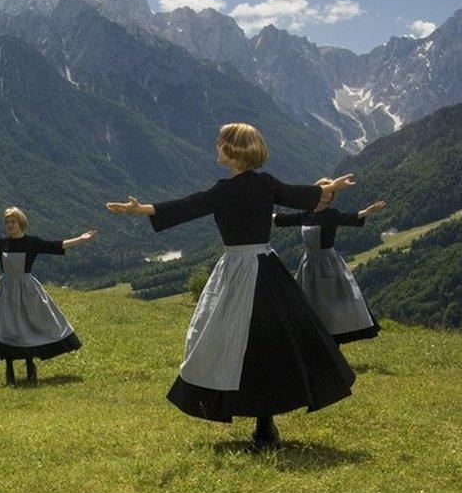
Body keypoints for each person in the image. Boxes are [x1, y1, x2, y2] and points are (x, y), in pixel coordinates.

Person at [106, 122, 357, 450]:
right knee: (273, 340)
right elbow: (302, 195)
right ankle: (265, 422)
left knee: (227, 339)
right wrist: (328, 188)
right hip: (267, 271)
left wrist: (140, 210)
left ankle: (255, 417)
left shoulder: (224, 190)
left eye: (220, 141)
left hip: (236, 271)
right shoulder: (265, 184)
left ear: (232, 150)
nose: (216, 146)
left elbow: (188, 205)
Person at [0, 207, 96, 385]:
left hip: (28, 290)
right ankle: (10, 370)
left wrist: (80, 239)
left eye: (12, 222)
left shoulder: (32, 242)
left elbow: (56, 245)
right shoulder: (2, 243)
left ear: (20, 223)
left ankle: (31, 369)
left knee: (27, 326)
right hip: (5, 291)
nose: (9, 225)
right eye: (7, 222)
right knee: (6, 327)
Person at [274, 189, 386, 344]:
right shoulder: (306, 214)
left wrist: (368, 211)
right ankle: (314, 337)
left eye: (330, 193)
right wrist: (262, 211)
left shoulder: (331, 214)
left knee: (330, 300)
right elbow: (283, 219)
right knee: (310, 300)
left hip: (328, 263)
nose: (326, 195)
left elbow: (352, 217)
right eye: (324, 191)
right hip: (308, 264)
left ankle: (334, 338)